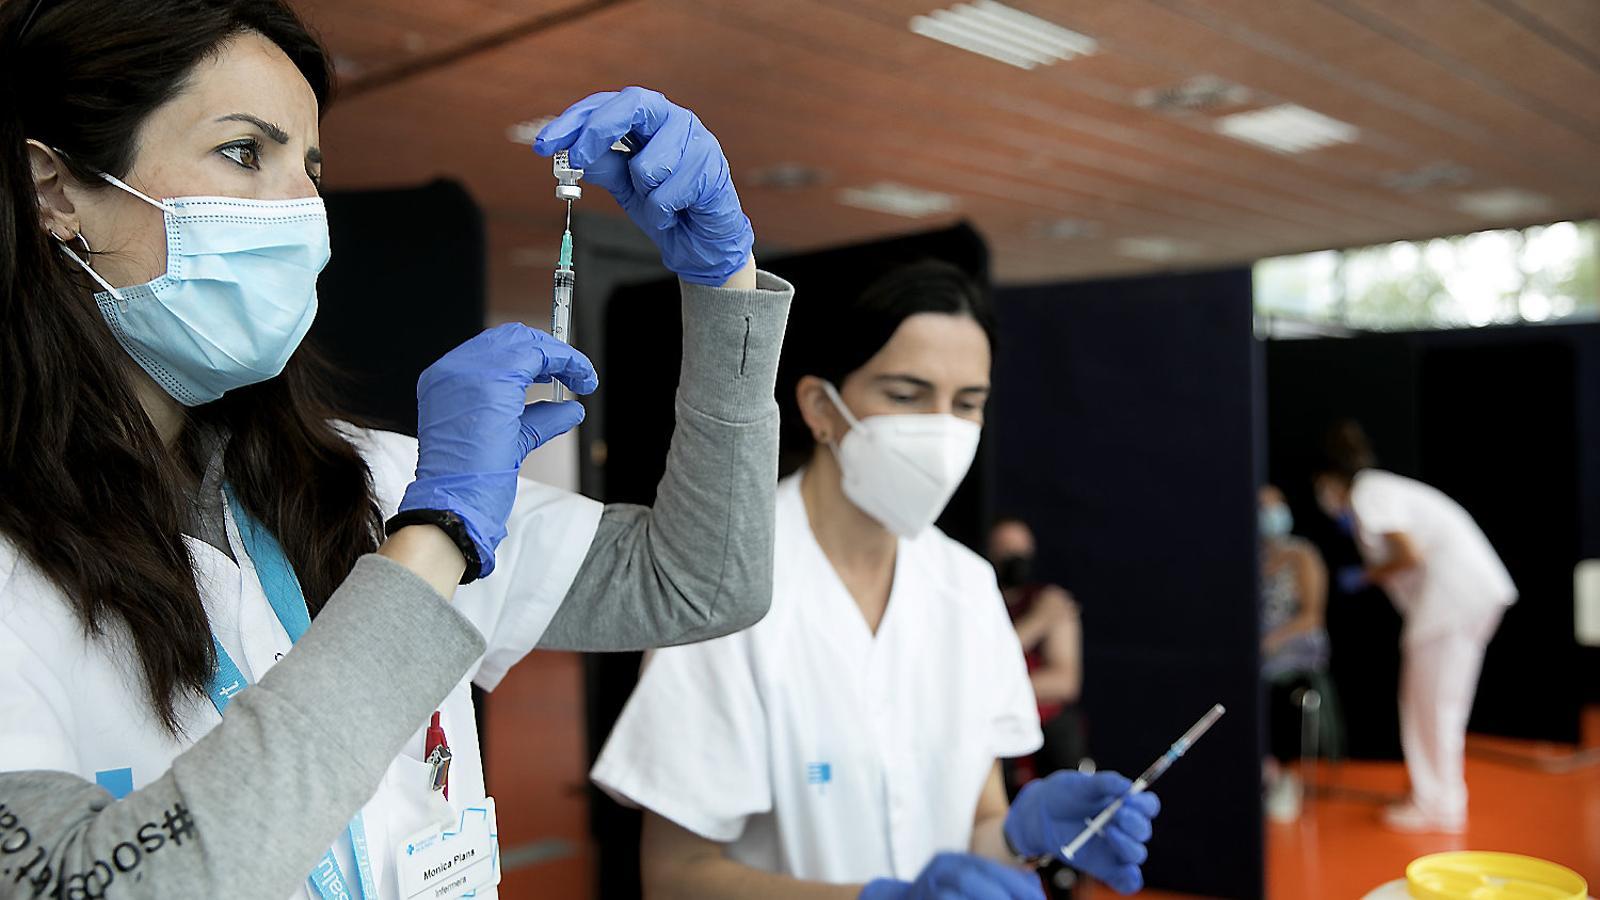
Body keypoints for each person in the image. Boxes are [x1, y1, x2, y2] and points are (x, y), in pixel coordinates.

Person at [0, 1, 794, 897]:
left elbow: (699, 580)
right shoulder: (423, 507)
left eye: (311, 166)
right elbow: (100, 885)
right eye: (243, 152)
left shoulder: (366, 480)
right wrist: (438, 536)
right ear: (55, 191)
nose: (303, 208)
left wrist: (722, 282)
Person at [592, 261, 1159, 900]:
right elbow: (676, 878)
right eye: (905, 394)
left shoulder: (967, 589)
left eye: (967, 403)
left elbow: (977, 826)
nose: (942, 430)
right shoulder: (724, 587)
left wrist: (1015, 836)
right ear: (820, 408)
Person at [1312, 421, 1515, 834]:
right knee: (1442, 704)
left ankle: (1435, 805)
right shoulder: (1380, 489)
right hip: (1468, 594)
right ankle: (1441, 798)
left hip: (1452, 599)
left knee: (1430, 704)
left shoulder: (1367, 494)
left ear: (1330, 480)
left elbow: (1410, 553)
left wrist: (1368, 575)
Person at [987, 518, 1087, 785]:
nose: (1014, 557)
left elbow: (1065, 682)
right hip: (995, 734)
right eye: (1005, 548)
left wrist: (997, 688)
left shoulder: (1050, 601)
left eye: (1020, 549)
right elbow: (981, 670)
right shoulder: (977, 601)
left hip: (1049, 736)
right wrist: (1037, 622)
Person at [1256, 486, 1331, 822]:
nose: (1269, 513)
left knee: (1281, 685)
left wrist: (1273, 639)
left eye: (1275, 505)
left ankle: (1287, 776)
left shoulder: (1303, 555)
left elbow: (1312, 614)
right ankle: (1261, 769)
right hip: (1255, 652)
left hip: (1295, 648)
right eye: (1262, 506)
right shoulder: (1250, 556)